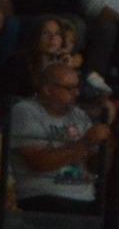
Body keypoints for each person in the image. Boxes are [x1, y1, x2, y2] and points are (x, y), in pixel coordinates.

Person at [9, 63, 109, 212]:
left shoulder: (79, 115)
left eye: (77, 87)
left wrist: (108, 144)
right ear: (48, 90)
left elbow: (96, 167)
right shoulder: (25, 111)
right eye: (70, 88)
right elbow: (38, 163)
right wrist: (86, 142)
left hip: (85, 197)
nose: (76, 93)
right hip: (42, 195)